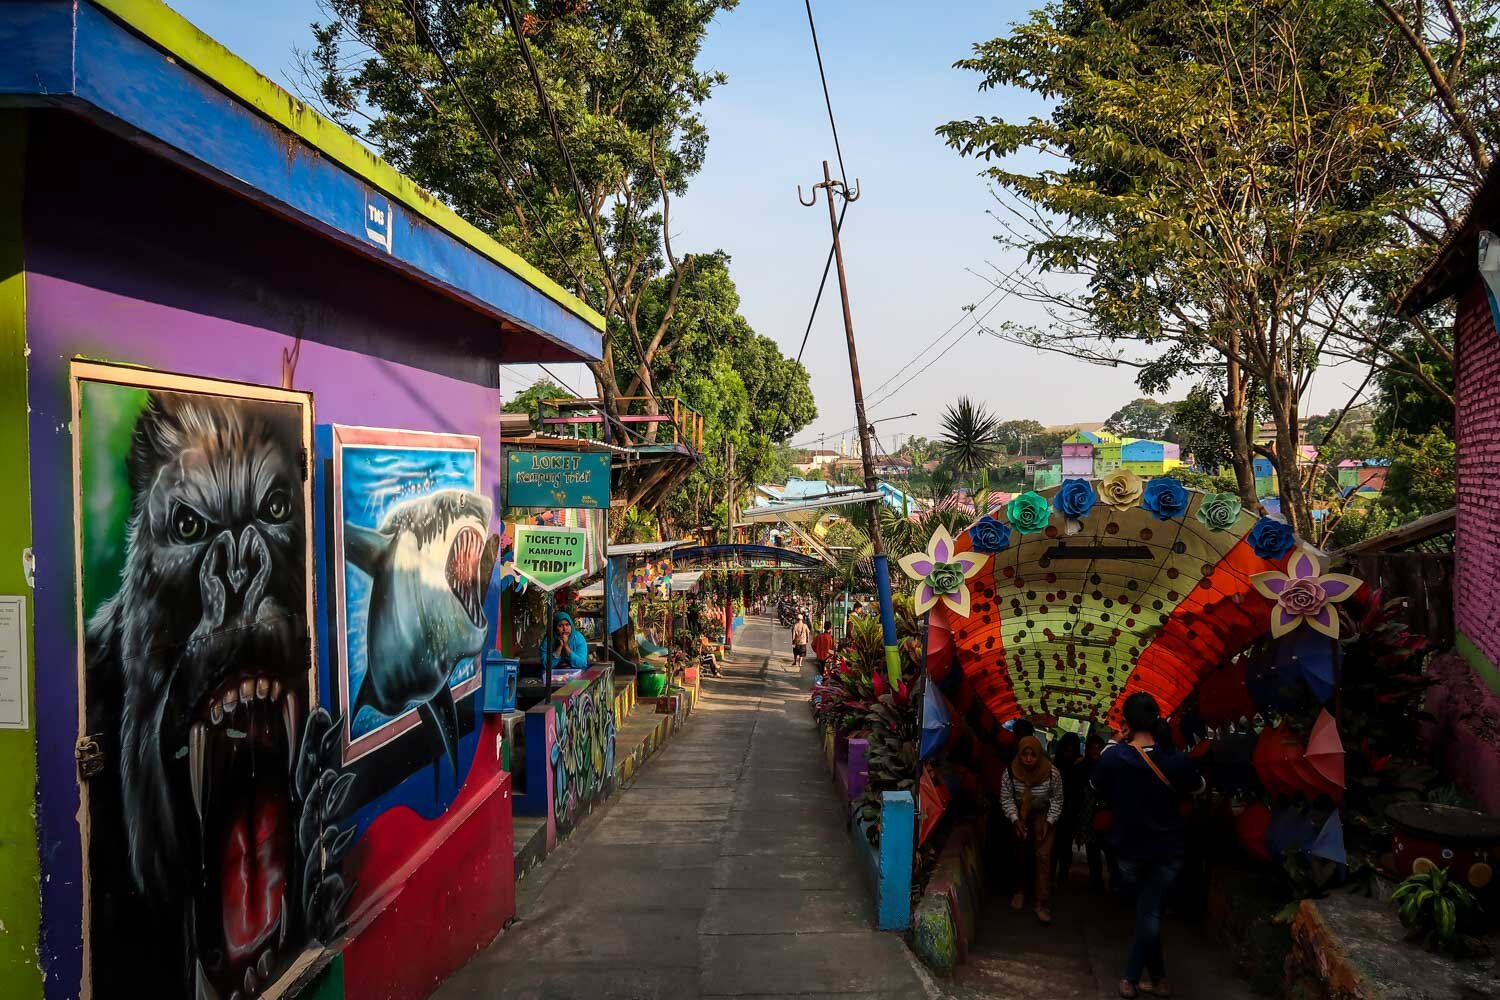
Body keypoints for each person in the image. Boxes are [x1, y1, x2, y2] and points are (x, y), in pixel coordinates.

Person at [1090, 693, 1206, 1000]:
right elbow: (1199, 787)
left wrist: (1116, 742)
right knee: (1150, 912)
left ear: (1126, 723)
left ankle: (1131, 977)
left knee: (1147, 912)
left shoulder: (1115, 757)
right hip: (1168, 851)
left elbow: (1095, 786)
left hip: (1129, 851)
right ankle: (1159, 978)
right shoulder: (1175, 758)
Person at [1000, 734, 1064, 925]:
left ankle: (1040, 902)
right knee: (1019, 851)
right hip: (1020, 813)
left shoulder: (1052, 774)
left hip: (1044, 814)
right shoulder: (1010, 772)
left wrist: (1049, 822)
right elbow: (1006, 798)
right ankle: (1019, 890)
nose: (1028, 759)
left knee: (1043, 856)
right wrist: (1015, 820)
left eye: (1032, 755)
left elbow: (1057, 800)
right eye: (1024, 754)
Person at [1052, 732, 1087, 888]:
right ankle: (1055, 876)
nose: (1069, 753)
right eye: (1067, 750)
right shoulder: (1060, 764)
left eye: (1071, 750)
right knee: (1057, 846)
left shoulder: (1075, 766)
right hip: (1059, 811)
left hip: (1068, 812)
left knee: (1063, 846)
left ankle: (1059, 877)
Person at [543, 610, 590, 678]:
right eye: (560, 626)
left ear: (571, 626)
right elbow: (545, 665)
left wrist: (566, 646)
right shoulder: (548, 640)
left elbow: (582, 664)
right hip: (553, 678)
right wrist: (559, 648)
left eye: (567, 625)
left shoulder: (578, 638)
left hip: (577, 677)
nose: (564, 628)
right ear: (555, 628)